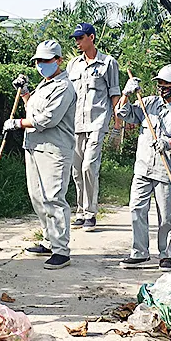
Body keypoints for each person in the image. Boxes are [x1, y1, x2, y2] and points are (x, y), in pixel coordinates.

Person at [116, 65, 171, 270]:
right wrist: (126, 94)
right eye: (160, 83)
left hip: (165, 171)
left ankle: (165, 255)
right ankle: (139, 253)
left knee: (166, 216)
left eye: (167, 84)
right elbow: (123, 113)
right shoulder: (148, 103)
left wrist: (169, 143)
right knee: (136, 209)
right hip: (143, 168)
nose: (162, 87)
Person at [9, 40, 77, 269]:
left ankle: (61, 250)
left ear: (59, 60)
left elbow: (49, 119)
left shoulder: (64, 87)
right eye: (38, 60)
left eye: (46, 60)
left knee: (53, 198)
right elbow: (33, 110)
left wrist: (18, 123)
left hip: (54, 150)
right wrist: (25, 92)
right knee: (37, 197)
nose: (41, 64)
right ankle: (49, 241)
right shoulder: (44, 85)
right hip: (34, 146)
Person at [66, 22, 120, 231]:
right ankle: (80, 211)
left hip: (97, 121)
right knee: (77, 169)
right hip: (75, 124)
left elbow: (114, 93)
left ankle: (90, 213)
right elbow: (67, 94)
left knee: (89, 166)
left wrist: (117, 123)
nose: (77, 42)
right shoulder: (73, 64)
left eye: (81, 38)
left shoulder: (108, 63)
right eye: (76, 39)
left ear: (92, 37)